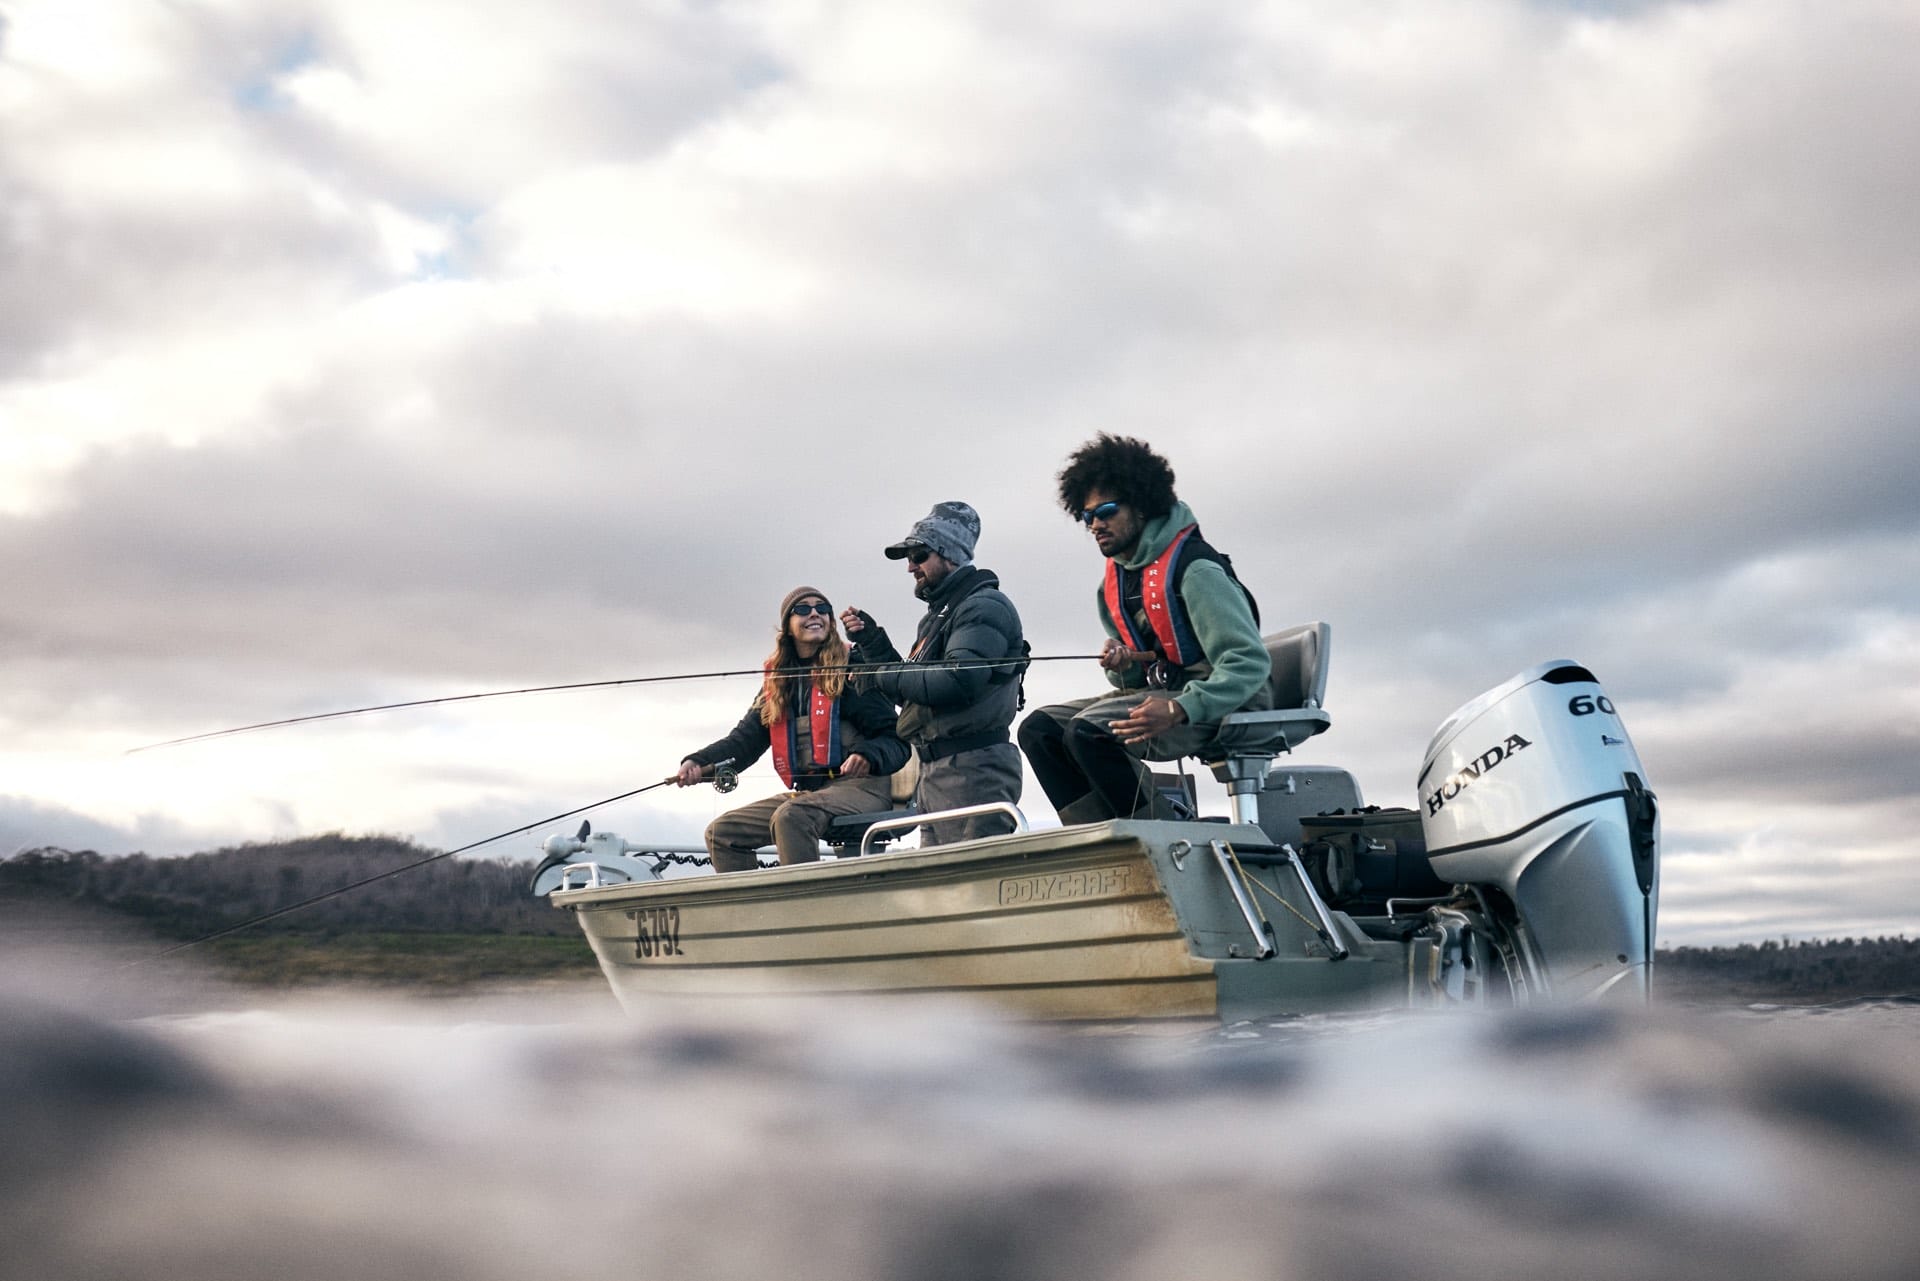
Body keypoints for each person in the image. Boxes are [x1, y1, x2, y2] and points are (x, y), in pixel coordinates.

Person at [1017, 435, 1272, 823]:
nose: (1095, 524)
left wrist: (1178, 708)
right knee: (1040, 730)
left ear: (1141, 505)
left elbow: (1249, 664)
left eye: (1106, 511)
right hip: (1172, 692)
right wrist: (1125, 665)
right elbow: (1135, 682)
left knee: (1090, 732)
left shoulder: (1196, 572)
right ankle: (1098, 836)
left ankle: (1157, 838)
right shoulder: (1114, 585)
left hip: (1229, 698)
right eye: (1087, 516)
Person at [675, 586, 910, 872]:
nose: (814, 614)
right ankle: (759, 902)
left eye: (822, 609)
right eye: (802, 609)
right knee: (722, 834)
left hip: (863, 789)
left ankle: (806, 898)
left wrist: (867, 755)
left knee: (791, 816)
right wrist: (697, 762)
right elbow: (742, 743)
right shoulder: (777, 685)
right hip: (809, 794)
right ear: (787, 626)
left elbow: (896, 739)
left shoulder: (853, 670)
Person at [839, 501, 1026, 845]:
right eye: (909, 557)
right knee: (938, 880)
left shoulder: (983, 606)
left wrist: (877, 673)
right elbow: (916, 694)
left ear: (950, 554)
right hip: (936, 774)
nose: (911, 566)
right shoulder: (941, 615)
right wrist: (873, 644)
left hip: (972, 772)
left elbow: (956, 681)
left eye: (920, 555)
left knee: (968, 877)